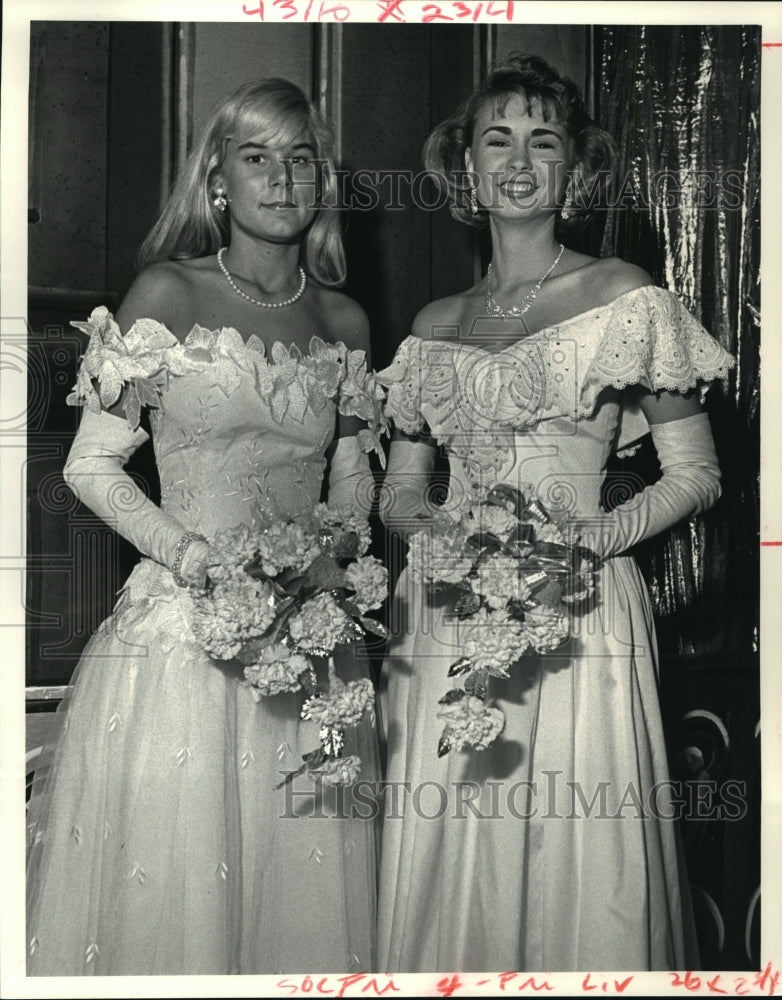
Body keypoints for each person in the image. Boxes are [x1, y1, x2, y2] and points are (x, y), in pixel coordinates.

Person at [375, 55, 735, 973]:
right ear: (466, 169)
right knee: (459, 846)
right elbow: (401, 488)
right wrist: (443, 535)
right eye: (498, 139)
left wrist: (587, 540)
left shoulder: (624, 296)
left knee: (578, 851)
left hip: (580, 612)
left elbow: (695, 474)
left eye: (545, 140)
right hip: (449, 616)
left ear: (577, 170)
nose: (521, 160)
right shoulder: (432, 324)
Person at [26, 78, 382, 976]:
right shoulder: (167, 292)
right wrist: (197, 561)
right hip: (183, 636)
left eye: (301, 158)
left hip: (311, 643)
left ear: (323, 181)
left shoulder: (343, 318)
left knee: (302, 883)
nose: (281, 177)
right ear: (217, 179)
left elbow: (349, 479)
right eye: (256, 156)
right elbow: (89, 465)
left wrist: (331, 563)